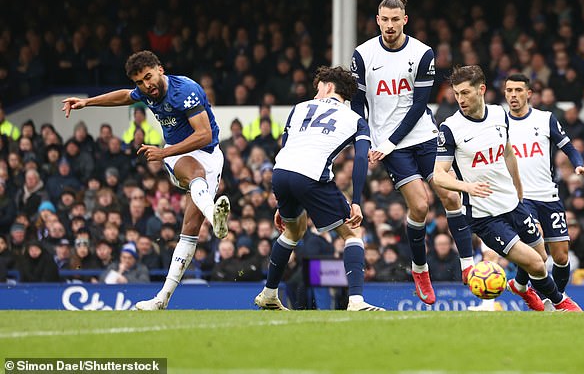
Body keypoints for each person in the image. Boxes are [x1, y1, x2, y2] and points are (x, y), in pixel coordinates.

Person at [62, 50, 230, 310]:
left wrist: (162, 152)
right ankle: (214, 215)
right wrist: (87, 102)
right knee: (195, 176)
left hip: (206, 152)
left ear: (160, 69)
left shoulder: (185, 90)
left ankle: (161, 299)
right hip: (179, 154)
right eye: (140, 82)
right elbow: (124, 96)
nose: (146, 85)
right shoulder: (145, 91)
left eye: (149, 77)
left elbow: (205, 134)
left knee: (189, 232)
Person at [350, 0, 474, 305]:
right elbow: (357, 102)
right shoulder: (363, 55)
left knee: (449, 193)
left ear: (405, 20)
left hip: (420, 136)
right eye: (385, 20)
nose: (390, 25)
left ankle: (469, 267)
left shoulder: (422, 53)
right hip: (389, 145)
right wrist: (364, 136)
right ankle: (420, 269)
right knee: (419, 206)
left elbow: (419, 105)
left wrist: (389, 143)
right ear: (377, 21)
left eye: (396, 19)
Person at [433, 64, 581, 311]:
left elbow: (509, 153)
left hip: (513, 203)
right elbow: (439, 176)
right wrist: (466, 187)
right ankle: (562, 304)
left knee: (542, 257)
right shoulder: (450, 128)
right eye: (456, 94)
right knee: (535, 263)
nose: (460, 99)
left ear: (481, 90)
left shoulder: (499, 115)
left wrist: (519, 189)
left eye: (465, 93)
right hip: (485, 216)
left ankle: (521, 289)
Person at [254, 65, 384, 311]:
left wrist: (281, 202)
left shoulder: (299, 108)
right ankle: (355, 301)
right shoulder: (356, 120)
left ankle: (269, 293)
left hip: (280, 174)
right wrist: (356, 200)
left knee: (293, 231)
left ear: (329, 87)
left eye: (318, 89)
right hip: (312, 176)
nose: (315, 95)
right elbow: (359, 159)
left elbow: (286, 146)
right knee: (352, 234)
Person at [503, 73, 584, 301]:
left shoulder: (545, 119)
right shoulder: (499, 122)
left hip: (549, 195)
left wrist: (579, 165)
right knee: (536, 248)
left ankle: (550, 298)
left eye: (518, 90)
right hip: (520, 198)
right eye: (509, 90)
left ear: (528, 94)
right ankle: (544, 295)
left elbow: (568, 146)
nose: (513, 95)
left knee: (561, 257)